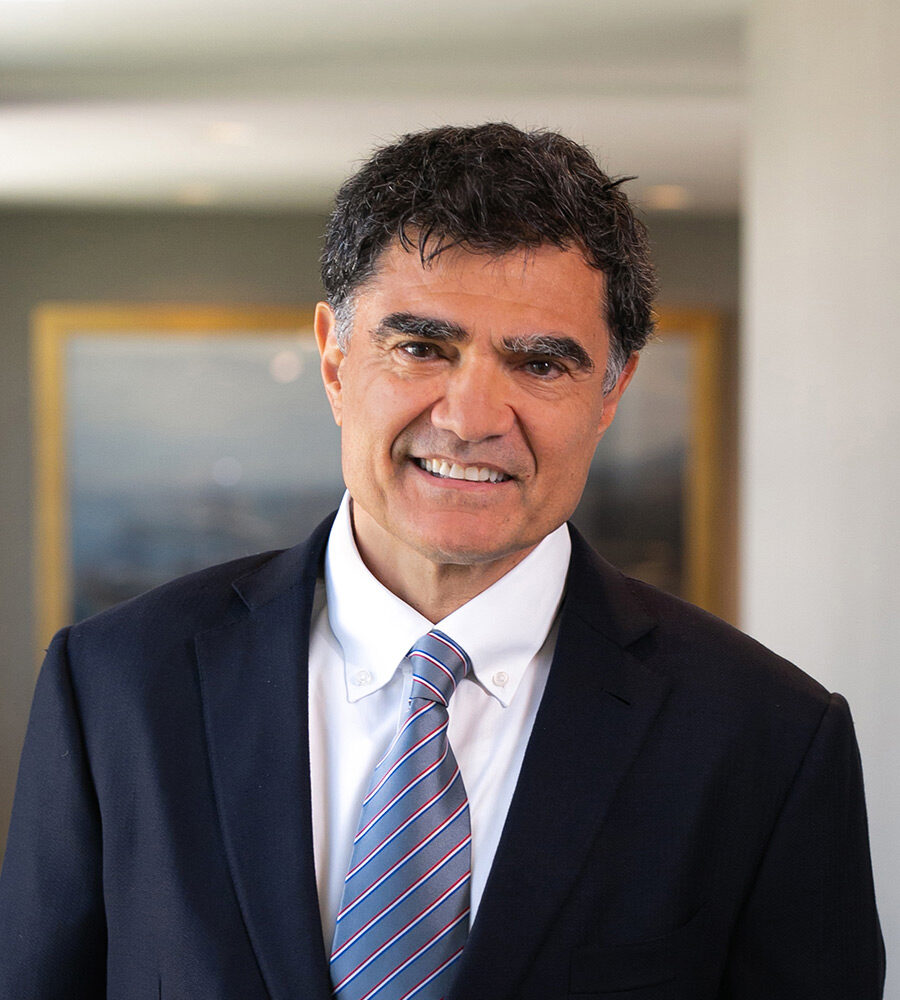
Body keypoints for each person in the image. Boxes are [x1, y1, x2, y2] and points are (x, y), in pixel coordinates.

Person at [0, 123, 884, 999]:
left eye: (540, 364)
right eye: (422, 348)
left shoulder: (768, 741)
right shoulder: (116, 687)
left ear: (612, 389)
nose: (470, 418)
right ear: (335, 360)